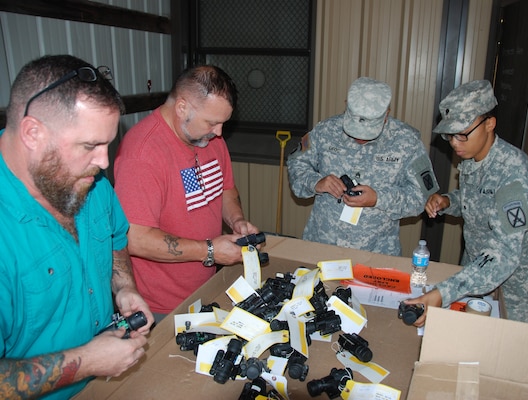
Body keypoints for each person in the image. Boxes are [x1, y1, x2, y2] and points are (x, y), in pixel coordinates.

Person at [0, 55, 154, 399]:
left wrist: (124, 288)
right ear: (33, 133)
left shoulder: (88, 180)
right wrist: (86, 361)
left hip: (105, 383)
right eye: (90, 146)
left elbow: (114, 237)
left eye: (107, 144)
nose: (104, 162)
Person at [114, 65, 259, 322]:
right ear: (182, 108)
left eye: (223, 123)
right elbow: (135, 239)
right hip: (161, 305)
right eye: (212, 122)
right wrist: (210, 252)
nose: (219, 133)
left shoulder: (208, 138)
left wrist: (236, 221)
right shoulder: (142, 154)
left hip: (206, 287)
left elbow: (225, 190)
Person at [405, 79, 528, 325]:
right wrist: (447, 202)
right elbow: (475, 201)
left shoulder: (514, 175)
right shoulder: (474, 159)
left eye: (462, 135)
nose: (454, 143)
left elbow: (504, 254)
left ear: (490, 124)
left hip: (516, 288)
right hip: (478, 273)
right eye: (450, 136)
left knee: (507, 355)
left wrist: (444, 293)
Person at [287, 77, 439, 256]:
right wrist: (316, 182)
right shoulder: (324, 131)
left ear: (387, 114)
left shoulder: (408, 141)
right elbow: (296, 164)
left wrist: (379, 199)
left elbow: (423, 197)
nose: (360, 138)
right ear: (346, 106)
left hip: (376, 253)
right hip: (322, 246)